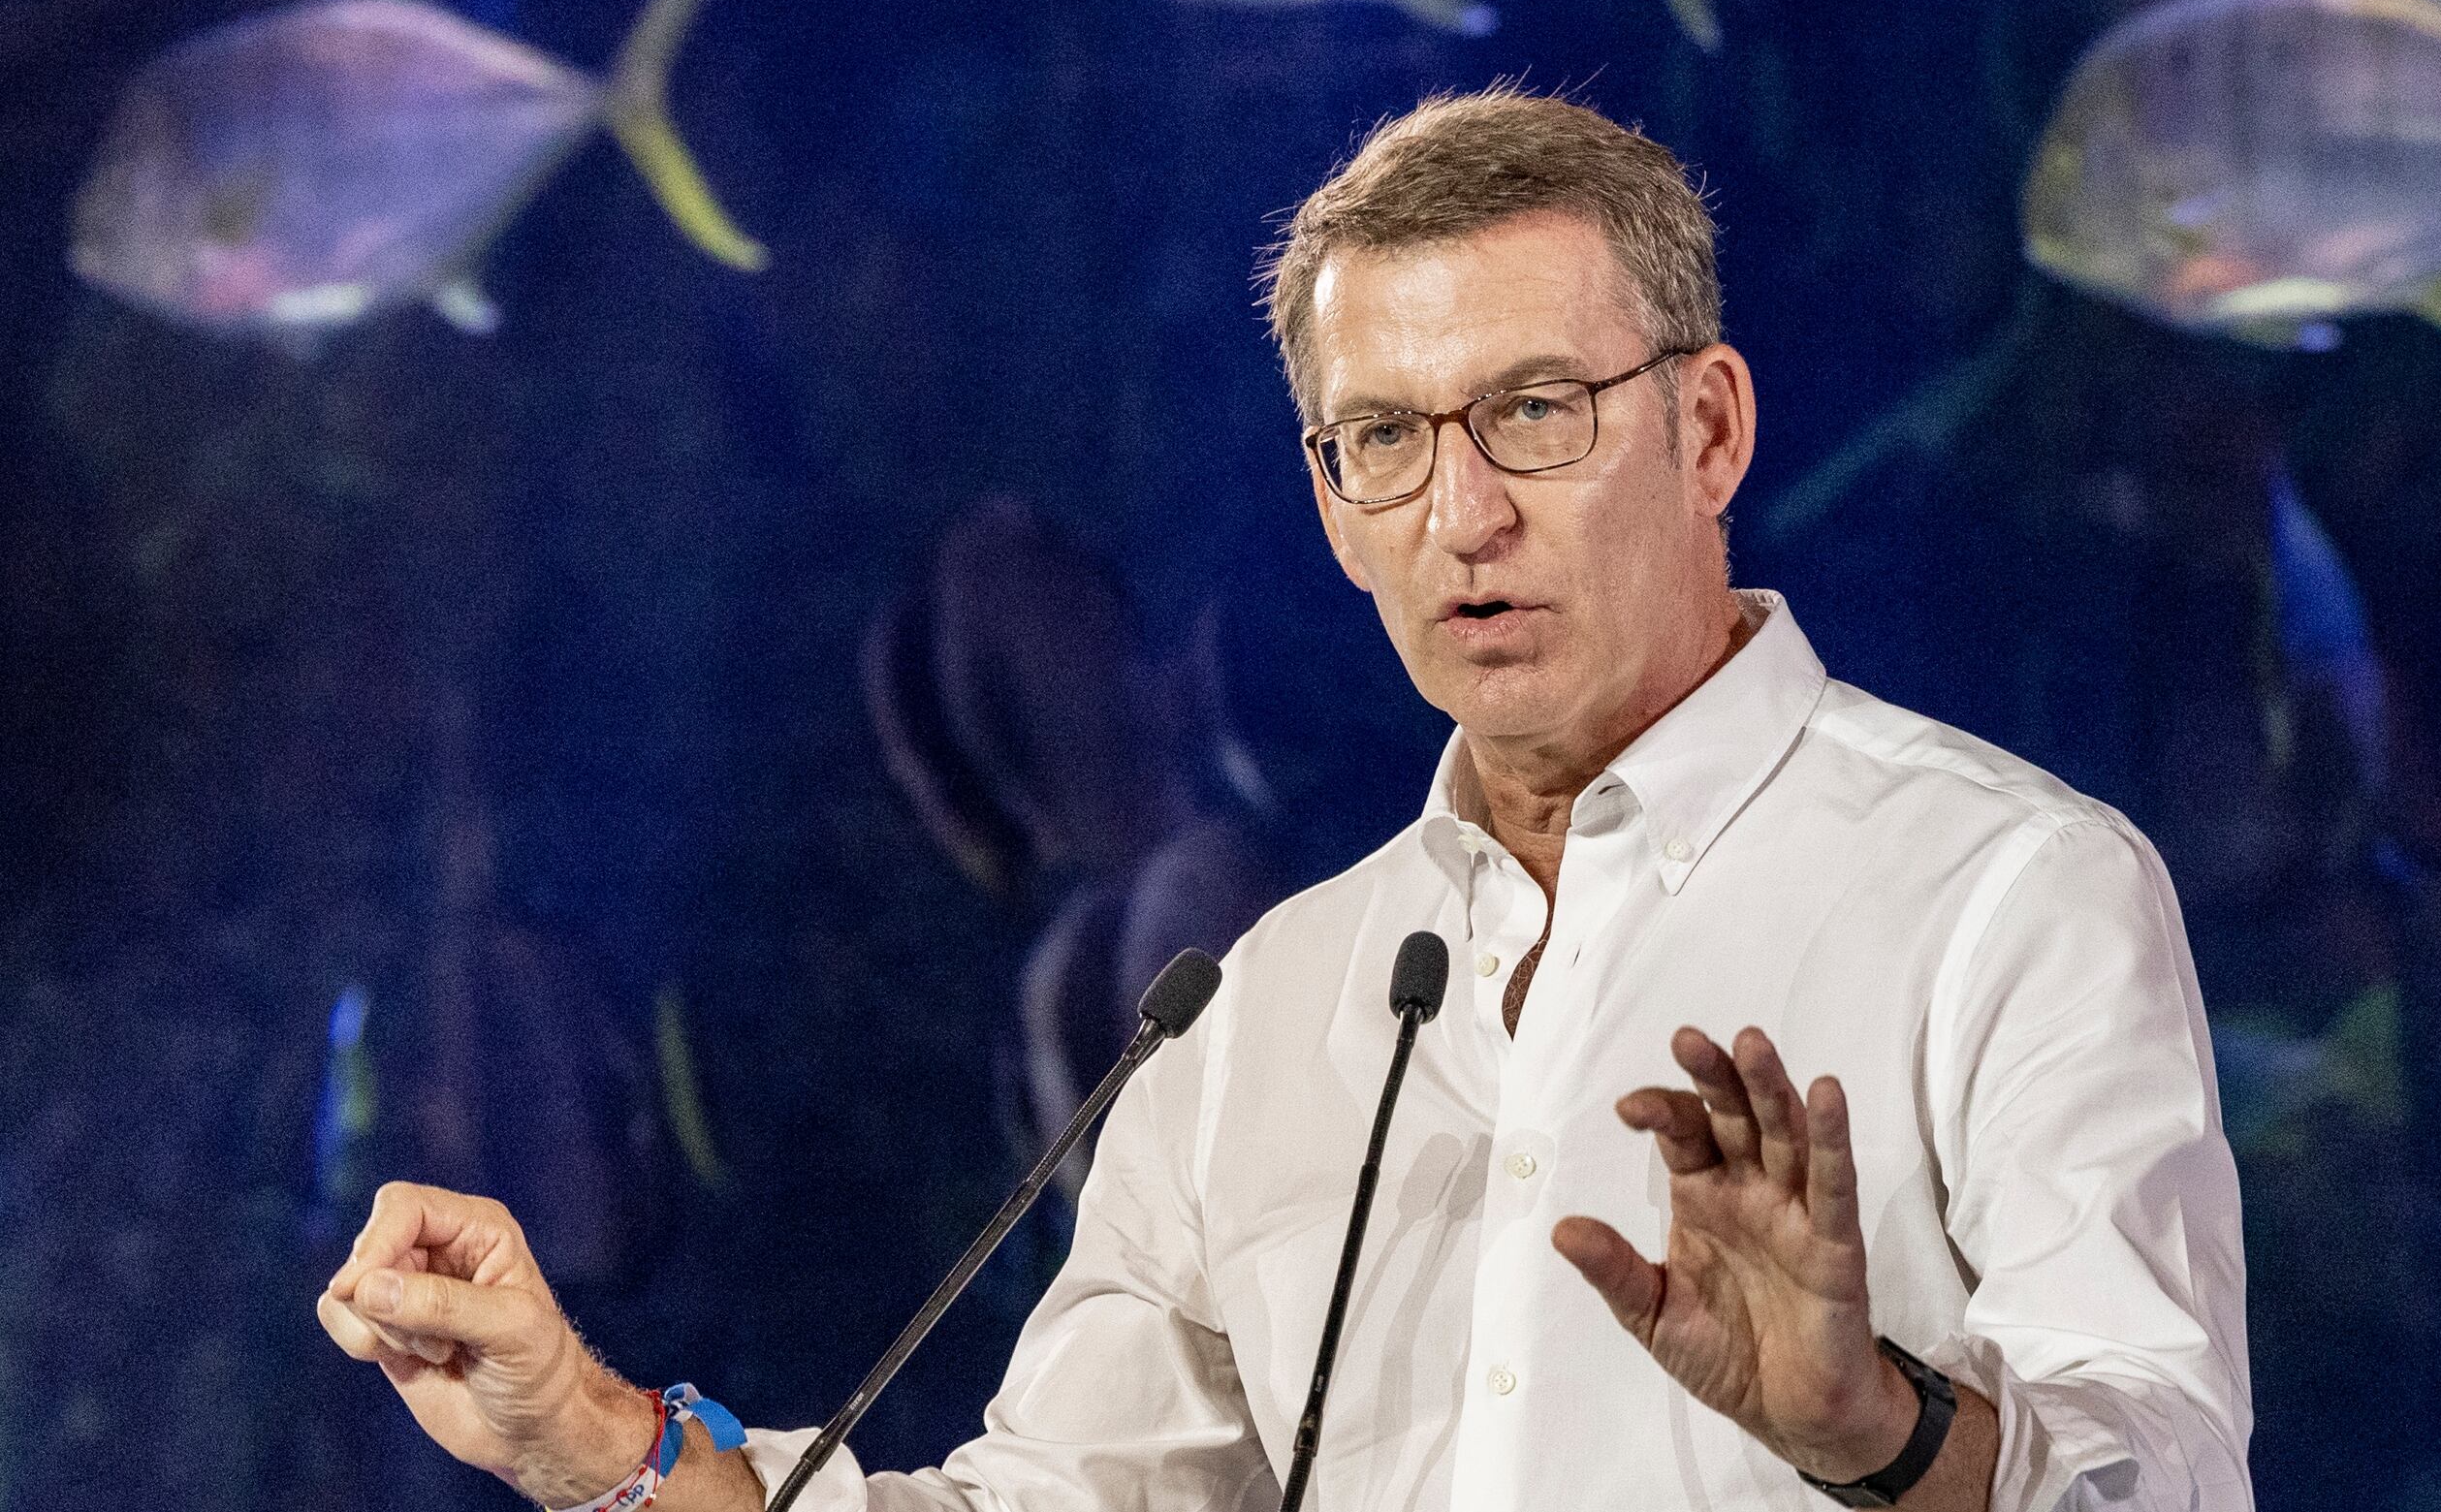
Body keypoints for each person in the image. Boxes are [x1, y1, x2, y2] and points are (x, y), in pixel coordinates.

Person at [317, 88, 2251, 1512]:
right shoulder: (1252, 1012)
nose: (1463, 515)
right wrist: (591, 1429)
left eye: (1539, 413)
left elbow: (2169, 1472)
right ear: (1329, 505)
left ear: (1712, 426)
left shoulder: (2014, 894)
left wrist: (1874, 1424)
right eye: (1385, 441)